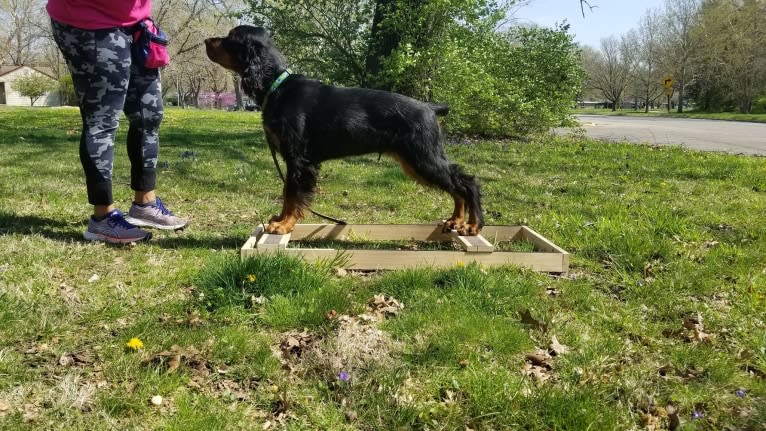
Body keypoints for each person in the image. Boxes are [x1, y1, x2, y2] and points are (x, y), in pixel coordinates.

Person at [47, 0, 187, 244]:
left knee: (149, 114)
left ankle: (145, 204)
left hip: (134, 22)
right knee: (102, 120)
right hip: (89, 19)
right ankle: (103, 218)